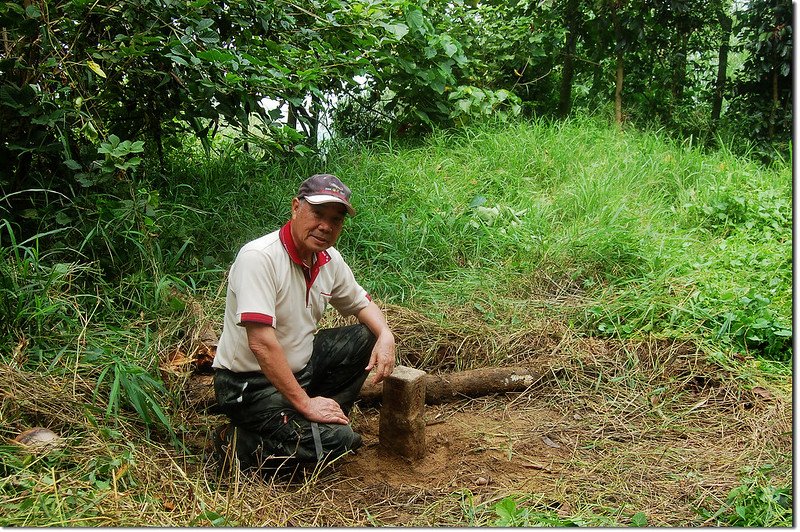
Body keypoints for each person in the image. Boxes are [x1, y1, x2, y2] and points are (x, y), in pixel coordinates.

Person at [211, 173, 396, 473]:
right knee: (340, 443)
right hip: (249, 385)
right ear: (296, 208)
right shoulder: (259, 258)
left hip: (300, 369)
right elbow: (260, 343)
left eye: (336, 220)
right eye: (318, 214)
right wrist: (305, 403)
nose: (325, 226)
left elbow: (362, 304)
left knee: (366, 335)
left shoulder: (328, 260)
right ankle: (238, 444)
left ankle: (322, 417)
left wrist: (386, 335)